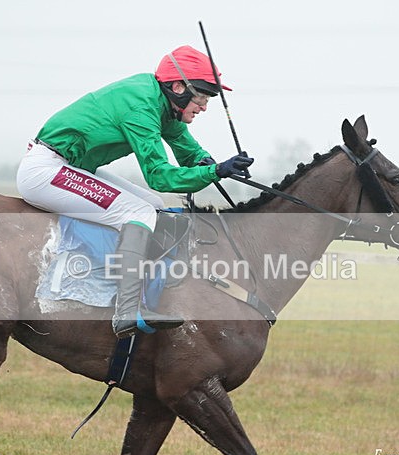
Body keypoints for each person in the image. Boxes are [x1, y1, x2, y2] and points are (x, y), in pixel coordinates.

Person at [17, 45, 254, 338]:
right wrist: (214, 172)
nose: (204, 106)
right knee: (138, 211)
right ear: (178, 87)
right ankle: (127, 310)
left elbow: (187, 149)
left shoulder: (162, 102)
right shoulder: (141, 107)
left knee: (152, 205)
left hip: (74, 167)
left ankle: (146, 285)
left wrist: (213, 164)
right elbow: (159, 176)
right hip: (46, 170)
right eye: (202, 97)